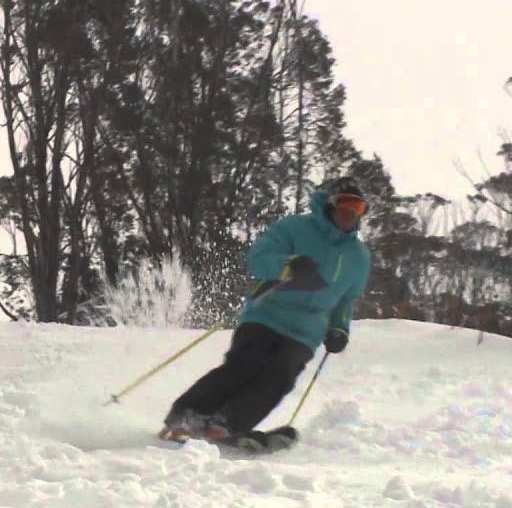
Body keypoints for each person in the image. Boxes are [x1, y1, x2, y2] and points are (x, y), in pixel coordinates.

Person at [158, 177, 372, 445]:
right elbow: (258, 259)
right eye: (345, 204)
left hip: (306, 331)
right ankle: (188, 415)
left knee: (280, 377)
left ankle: (227, 425)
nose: (350, 212)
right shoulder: (295, 228)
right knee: (246, 363)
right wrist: (288, 265)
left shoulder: (358, 256)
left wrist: (339, 328)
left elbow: (346, 299)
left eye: (358, 207)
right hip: (267, 313)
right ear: (330, 204)